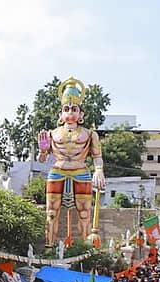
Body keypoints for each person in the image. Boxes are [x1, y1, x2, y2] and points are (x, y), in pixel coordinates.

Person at [37, 77, 105, 246]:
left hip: (81, 172)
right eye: (66, 109)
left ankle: (83, 249)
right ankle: (49, 247)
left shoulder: (90, 134)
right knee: (51, 212)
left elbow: (97, 156)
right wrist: (42, 150)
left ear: (81, 114)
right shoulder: (52, 133)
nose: (70, 112)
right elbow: (42, 160)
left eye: (74, 109)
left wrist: (99, 171)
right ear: (60, 114)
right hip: (57, 171)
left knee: (84, 213)